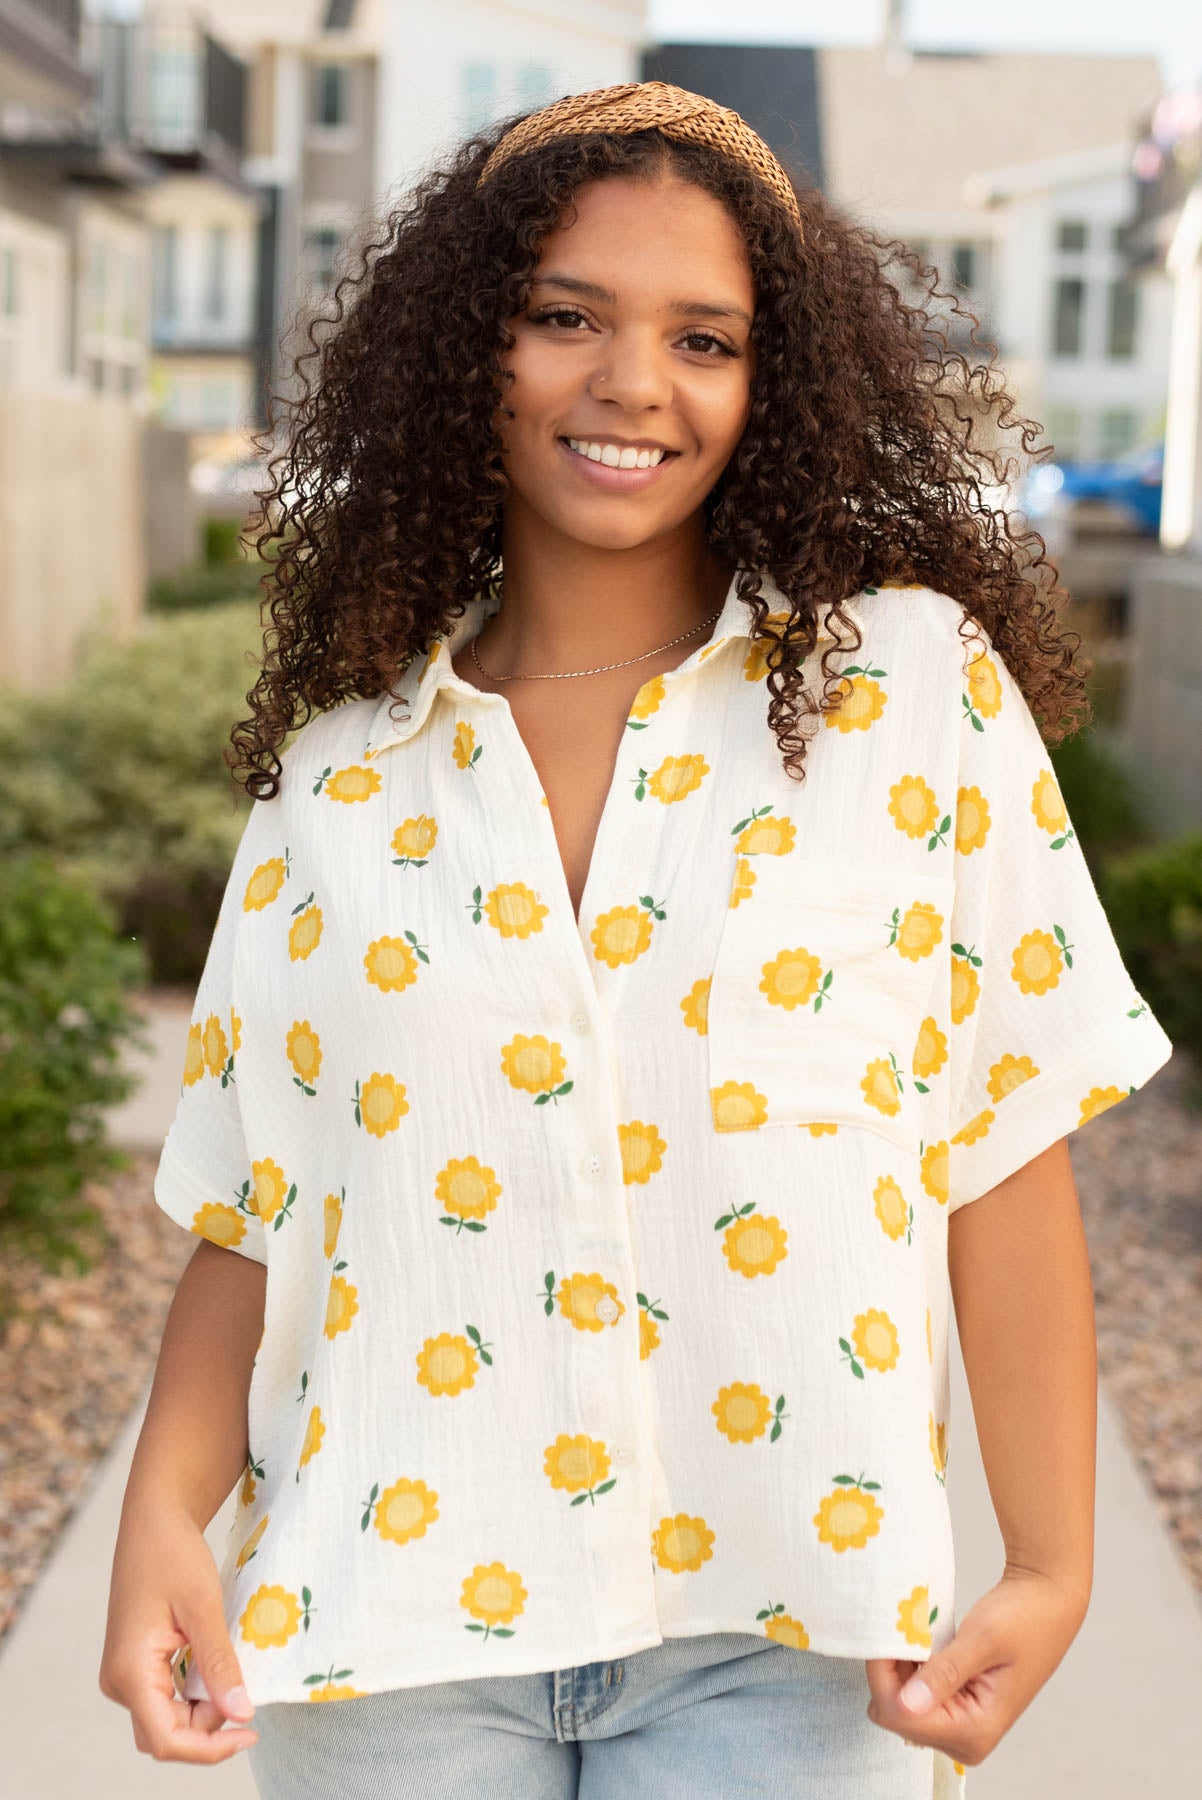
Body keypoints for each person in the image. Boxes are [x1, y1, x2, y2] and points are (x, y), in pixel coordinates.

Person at [99, 80, 1173, 1799]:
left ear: (773, 385)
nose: (631, 385)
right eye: (563, 317)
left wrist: (1050, 1565)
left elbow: (1002, 1135)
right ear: (470, 349)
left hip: (789, 1640)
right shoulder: (340, 777)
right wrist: (161, 1519)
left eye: (704, 338)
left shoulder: (909, 698)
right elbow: (256, 1201)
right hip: (391, 1641)